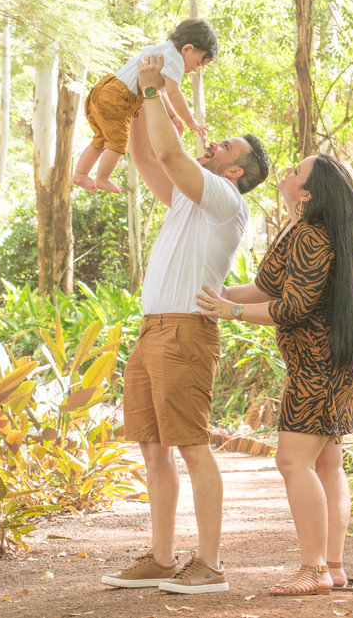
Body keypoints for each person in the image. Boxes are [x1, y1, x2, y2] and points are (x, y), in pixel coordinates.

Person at [100, 54, 270, 595]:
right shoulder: (186, 200)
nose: (213, 144)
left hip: (185, 332)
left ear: (235, 172)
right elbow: (147, 157)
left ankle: (210, 566)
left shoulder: (224, 200)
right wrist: (134, 104)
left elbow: (170, 153)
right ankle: (160, 557)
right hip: (152, 330)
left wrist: (154, 91)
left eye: (225, 148)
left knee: (193, 445)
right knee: (153, 448)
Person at [196, 154, 353, 597]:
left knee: (292, 461)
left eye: (296, 172)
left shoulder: (312, 235)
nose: (287, 173)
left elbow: (293, 307)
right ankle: (332, 566)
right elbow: (269, 289)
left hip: (318, 366)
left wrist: (233, 311)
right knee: (327, 464)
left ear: (307, 193)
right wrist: (222, 295)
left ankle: (313, 569)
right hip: (322, 362)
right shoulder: (300, 229)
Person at [72, 18, 216, 194]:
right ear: (187, 49)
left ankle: (80, 174)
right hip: (119, 98)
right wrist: (190, 121)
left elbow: (158, 91)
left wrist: (172, 116)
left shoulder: (161, 50)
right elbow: (174, 93)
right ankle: (102, 178)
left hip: (103, 90)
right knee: (118, 141)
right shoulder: (175, 60)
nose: (194, 70)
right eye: (199, 63)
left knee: (101, 139)